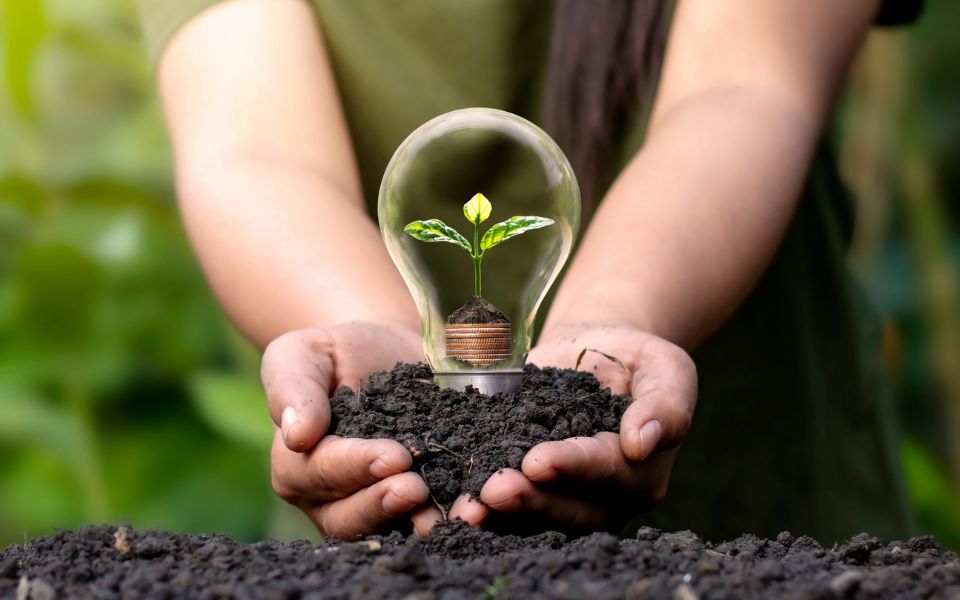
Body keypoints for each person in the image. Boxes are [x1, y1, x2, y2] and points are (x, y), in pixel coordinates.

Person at [139, 0, 920, 542]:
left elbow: (747, 85)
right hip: (392, 539)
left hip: (768, 536)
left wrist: (608, 329)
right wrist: (381, 354)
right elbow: (256, 151)